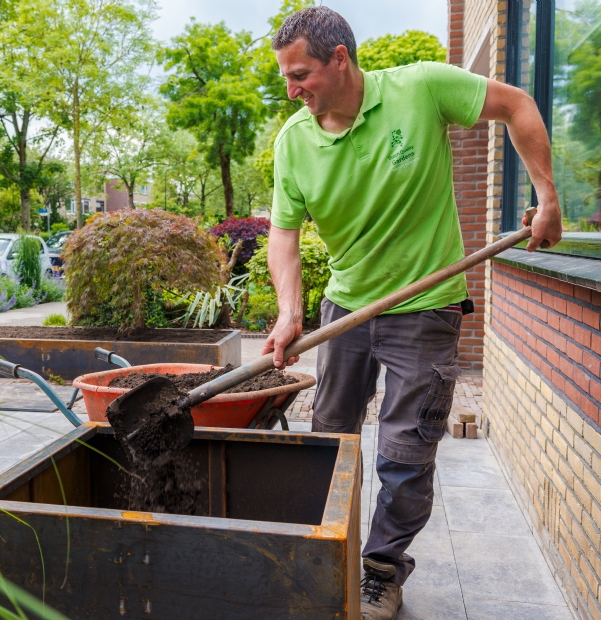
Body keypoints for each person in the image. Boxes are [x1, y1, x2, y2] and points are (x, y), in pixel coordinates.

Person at [263, 8, 563, 620]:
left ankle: (381, 570)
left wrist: (547, 196)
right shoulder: (294, 140)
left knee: (405, 451)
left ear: (340, 58)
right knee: (330, 438)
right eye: (287, 78)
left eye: (302, 75)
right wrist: (288, 312)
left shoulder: (420, 88)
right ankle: (330, 548)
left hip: (425, 308)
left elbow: (518, 105)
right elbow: (284, 235)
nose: (292, 90)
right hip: (345, 306)